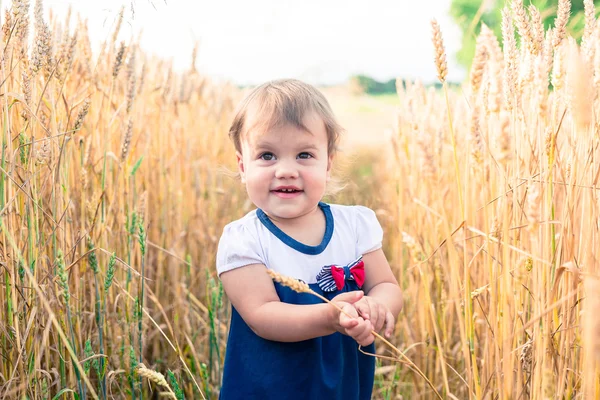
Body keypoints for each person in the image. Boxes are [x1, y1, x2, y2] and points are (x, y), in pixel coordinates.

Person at [216, 79, 403, 399]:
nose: (286, 170)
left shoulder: (354, 226)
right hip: (270, 388)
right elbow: (262, 316)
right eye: (267, 155)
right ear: (243, 165)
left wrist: (377, 306)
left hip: (341, 385)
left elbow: (387, 285)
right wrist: (329, 316)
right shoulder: (245, 241)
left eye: (304, 154)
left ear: (327, 163)